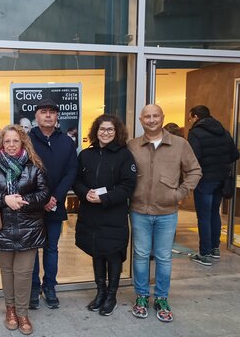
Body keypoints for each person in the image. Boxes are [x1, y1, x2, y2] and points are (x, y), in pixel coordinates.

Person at [128, 104, 201, 322]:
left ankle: (161, 297)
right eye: (147, 117)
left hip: (167, 211)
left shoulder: (180, 144)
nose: (151, 120)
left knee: (163, 256)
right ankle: (141, 296)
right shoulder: (132, 145)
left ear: (162, 117)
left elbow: (195, 171)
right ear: (141, 120)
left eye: (155, 116)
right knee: (141, 255)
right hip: (139, 210)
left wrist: (180, 193)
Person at [0, 124, 50, 335]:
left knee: (24, 273)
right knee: (7, 272)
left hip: (29, 228)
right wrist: (5, 199)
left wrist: (22, 200)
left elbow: (44, 194)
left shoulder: (34, 165)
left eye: (15, 141)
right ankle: (10, 309)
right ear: (1, 143)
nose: (11, 145)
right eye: (7, 141)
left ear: (23, 143)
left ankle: (22, 313)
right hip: (2, 229)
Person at [74, 115, 137, 316]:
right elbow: (76, 180)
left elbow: (128, 186)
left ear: (117, 132)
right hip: (90, 214)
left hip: (113, 214)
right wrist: (85, 193)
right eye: (102, 129)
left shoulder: (125, 155)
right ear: (96, 131)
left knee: (113, 254)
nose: (105, 133)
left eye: (110, 129)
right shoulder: (86, 155)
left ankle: (111, 296)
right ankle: (100, 292)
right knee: (97, 252)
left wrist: (104, 198)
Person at [29, 98, 77, 309]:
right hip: (32, 205)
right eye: (43, 111)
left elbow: (71, 171)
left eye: (52, 111)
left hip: (55, 204)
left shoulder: (67, 141)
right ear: (36, 116)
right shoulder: (27, 140)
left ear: (57, 116)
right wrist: (41, 198)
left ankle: (49, 286)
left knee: (51, 248)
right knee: (31, 249)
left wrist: (54, 197)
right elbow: (23, 171)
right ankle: (33, 288)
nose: (48, 115)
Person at [187, 105, 239, 265]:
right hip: (221, 179)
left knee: (203, 216)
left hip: (205, 180)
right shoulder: (224, 131)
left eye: (190, 118)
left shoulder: (195, 133)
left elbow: (193, 158)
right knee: (214, 213)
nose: (190, 122)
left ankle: (204, 254)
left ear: (196, 117)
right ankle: (215, 249)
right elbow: (235, 154)